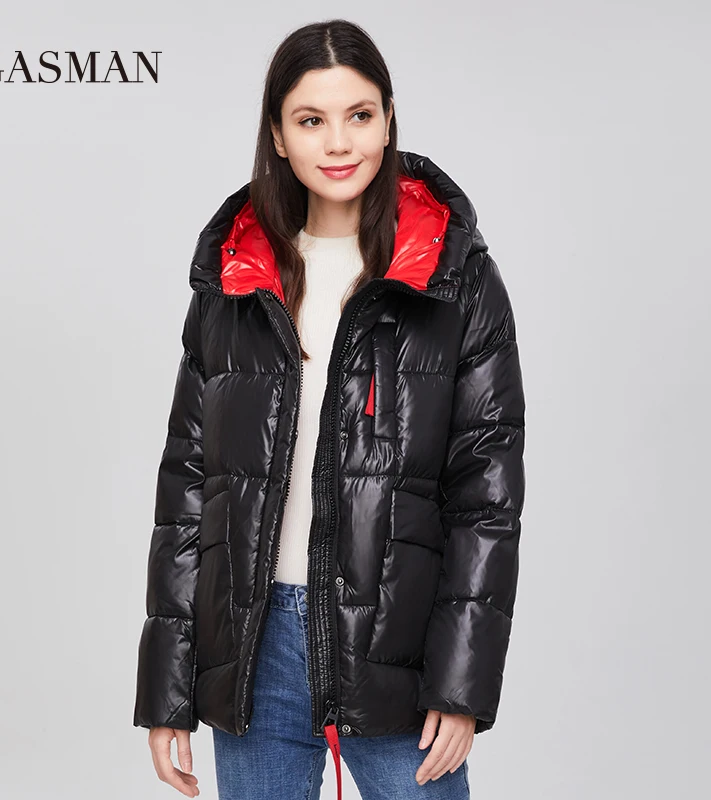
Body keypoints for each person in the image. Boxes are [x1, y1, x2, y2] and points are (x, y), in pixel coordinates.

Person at [133, 18, 526, 800]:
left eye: (360, 115)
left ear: (388, 121)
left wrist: (460, 683)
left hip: (398, 653)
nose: (339, 142)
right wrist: (167, 690)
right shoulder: (234, 281)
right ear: (278, 136)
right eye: (311, 120)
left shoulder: (453, 279)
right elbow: (187, 490)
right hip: (254, 649)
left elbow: (486, 498)